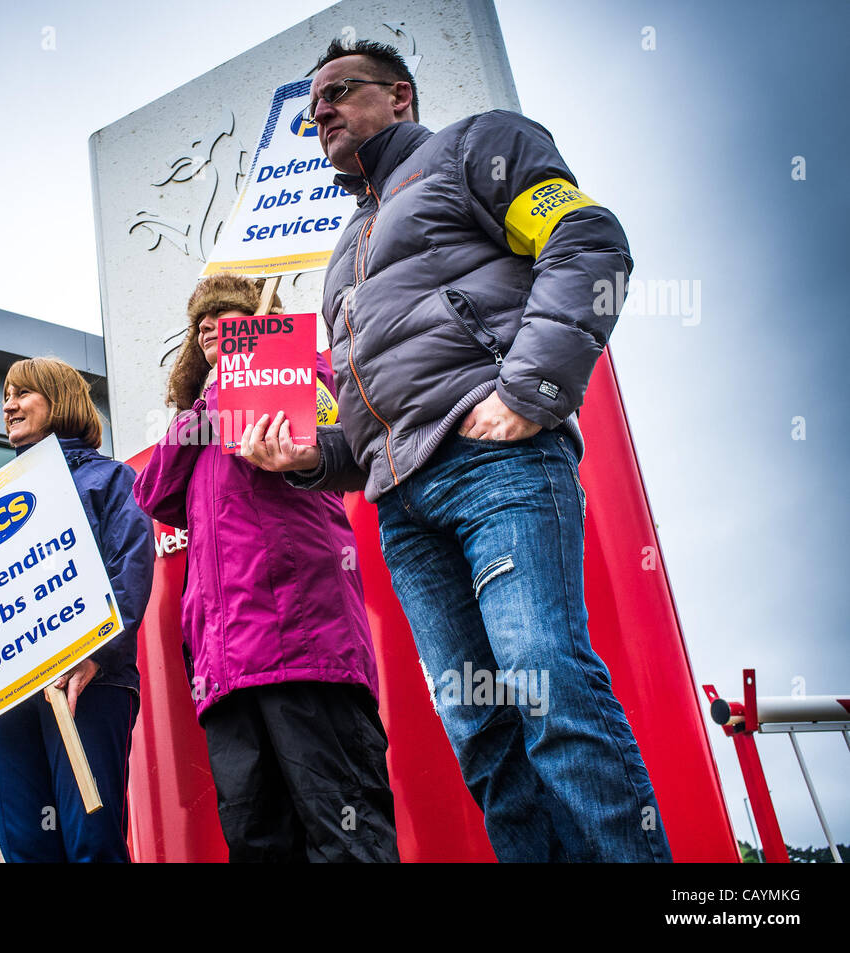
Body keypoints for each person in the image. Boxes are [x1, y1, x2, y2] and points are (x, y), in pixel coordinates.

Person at [241, 39, 672, 862]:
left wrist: (528, 392)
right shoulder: (339, 258)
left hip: (497, 470)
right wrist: (303, 457)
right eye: (312, 108)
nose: (319, 111)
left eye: (338, 92)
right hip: (405, 510)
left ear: (400, 96)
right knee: (480, 729)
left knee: (548, 689)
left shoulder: (475, 147)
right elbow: (367, 430)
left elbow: (587, 240)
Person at [133, 273, 399, 862]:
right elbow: (153, 493)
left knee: (346, 835)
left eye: (225, 317)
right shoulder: (202, 422)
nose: (208, 326)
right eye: (200, 323)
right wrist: (212, 399)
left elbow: (346, 440)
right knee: (257, 845)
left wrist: (252, 374)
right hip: (225, 670)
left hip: (308, 652)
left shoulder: (306, 373)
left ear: (261, 321)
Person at [0, 356, 154, 862]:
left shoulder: (111, 480)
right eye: (5, 396)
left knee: (91, 842)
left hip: (87, 681)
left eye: (22, 393)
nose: (8, 405)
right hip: (2, 698)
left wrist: (96, 656)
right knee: (26, 847)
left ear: (59, 399)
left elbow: (129, 571)